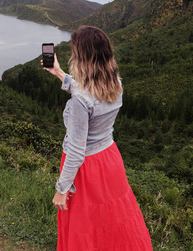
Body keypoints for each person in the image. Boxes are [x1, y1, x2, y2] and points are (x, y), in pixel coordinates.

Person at [42, 26, 153, 251]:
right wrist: (59, 74)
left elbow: (75, 150)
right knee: (113, 222)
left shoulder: (80, 102)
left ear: (82, 58)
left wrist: (61, 189)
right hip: (110, 159)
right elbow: (88, 91)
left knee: (86, 226)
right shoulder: (115, 84)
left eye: (74, 52)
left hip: (86, 169)